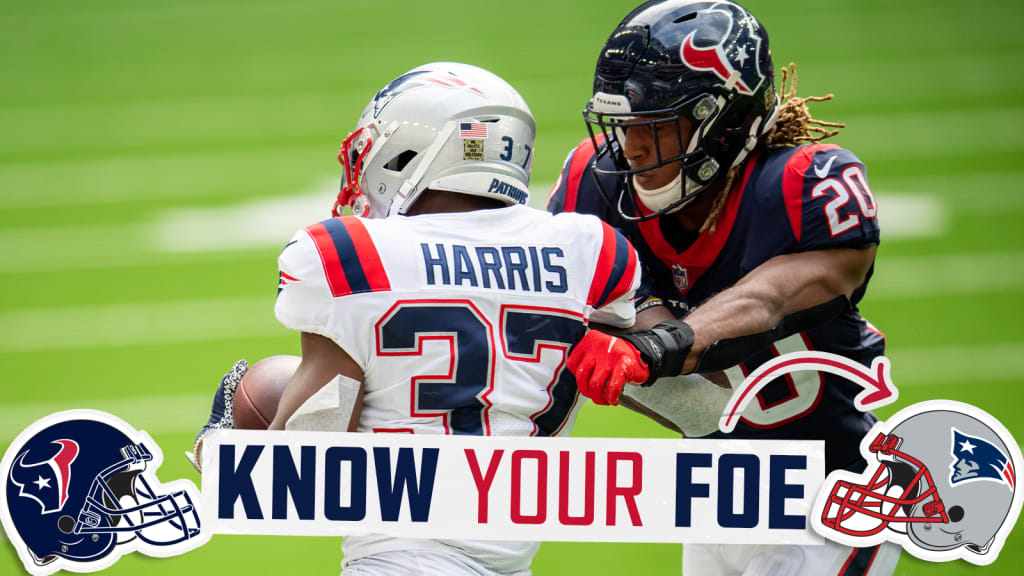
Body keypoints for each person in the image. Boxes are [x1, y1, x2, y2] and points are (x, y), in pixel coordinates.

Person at [196, 62, 642, 576]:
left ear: (410, 150)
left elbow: (306, 457)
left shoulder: (353, 254)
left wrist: (223, 442)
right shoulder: (593, 252)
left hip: (397, 561)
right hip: (512, 561)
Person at [548, 1, 901, 574]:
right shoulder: (595, 185)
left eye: (655, 125)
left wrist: (652, 347)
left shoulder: (800, 186)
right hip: (719, 494)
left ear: (725, 121)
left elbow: (768, 300)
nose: (632, 148)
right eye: (623, 125)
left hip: (829, 499)